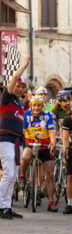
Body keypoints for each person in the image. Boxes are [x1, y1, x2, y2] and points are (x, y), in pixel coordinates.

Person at [0, 56, 30, 219]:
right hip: (5, 140)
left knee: (14, 176)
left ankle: (7, 206)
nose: (19, 89)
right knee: (8, 174)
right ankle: (1, 206)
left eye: (22, 87)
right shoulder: (6, 98)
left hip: (17, 142)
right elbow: (13, 78)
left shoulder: (20, 104)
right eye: (17, 86)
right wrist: (24, 65)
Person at [20, 95, 57, 212]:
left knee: (50, 174)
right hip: (30, 143)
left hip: (45, 146)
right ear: (31, 105)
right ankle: (22, 176)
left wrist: (53, 142)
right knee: (25, 157)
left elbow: (51, 131)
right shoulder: (26, 114)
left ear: (42, 106)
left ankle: (51, 202)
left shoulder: (47, 115)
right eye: (34, 105)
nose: (36, 108)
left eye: (39, 105)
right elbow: (23, 130)